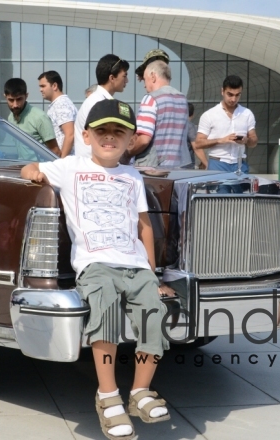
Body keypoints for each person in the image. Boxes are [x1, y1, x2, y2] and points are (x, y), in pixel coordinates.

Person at [21, 99, 174, 440]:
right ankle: (108, 396)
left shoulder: (133, 176)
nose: (109, 138)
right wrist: (32, 173)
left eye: (118, 132)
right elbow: (32, 165)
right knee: (103, 314)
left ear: (130, 140)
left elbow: (143, 226)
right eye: (101, 131)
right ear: (86, 135)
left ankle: (140, 392)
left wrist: (153, 273)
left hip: (135, 264)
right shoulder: (70, 167)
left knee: (153, 315)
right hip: (95, 264)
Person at [123, 60, 192, 168]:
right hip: (182, 166)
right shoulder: (182, 99)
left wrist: (126, 154)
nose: (144, 86)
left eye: (145, 80)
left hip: (155, 169)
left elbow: (143, 139)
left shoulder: (151, 98)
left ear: (153, 76)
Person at [194, 75, 258, 173]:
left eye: (237, 95)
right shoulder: (209, 115)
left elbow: (254, 141)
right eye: (230, 94)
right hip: (218, 163)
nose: (233, 99)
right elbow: (198, 143)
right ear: (222, 91)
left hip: (240, 164)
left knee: (243, 188)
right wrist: (220, 140)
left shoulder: (247, 114)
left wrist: (246, 140)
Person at [74, 54, 130, 158]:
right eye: (124, 76)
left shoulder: (99, 100)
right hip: (92, 166)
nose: (127, 81)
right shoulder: (98, 104)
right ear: (112, 78)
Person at [3, 78, 60, 156]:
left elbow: (55, 151)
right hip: (21, 166)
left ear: (26, 96)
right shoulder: (10, 118)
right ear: (5, 97)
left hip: (39, 167)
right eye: (11, 100)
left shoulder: (40, 117)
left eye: (19, 99)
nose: (15, 105)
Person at [39, 71, 77, 158]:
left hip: (67, 163)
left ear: (54, 86)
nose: (40, 90)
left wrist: (60, 161)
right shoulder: (58, 104)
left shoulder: (61, 104)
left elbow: (70, 134)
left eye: (43, 86)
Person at [187, 103, 204, 168]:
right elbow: (196, 147)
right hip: (187, 165)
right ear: (193, 115)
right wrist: (205, 163)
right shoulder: (190, 127)